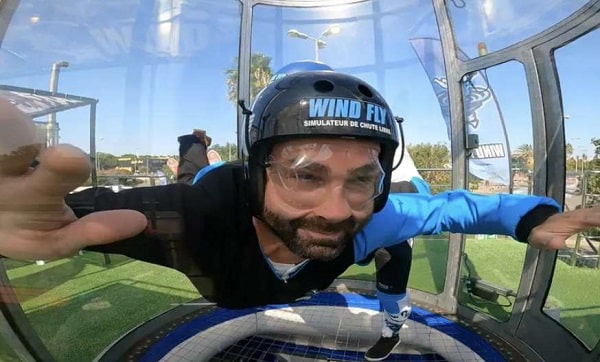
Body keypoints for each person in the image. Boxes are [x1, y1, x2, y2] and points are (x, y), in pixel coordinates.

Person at [0, 72, 597, 359]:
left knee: (399, 241)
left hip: (353, 244)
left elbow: (453, 207)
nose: (336, 210)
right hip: (210, 206)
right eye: (304, 174)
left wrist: (531, 218)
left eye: (362, 178)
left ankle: (391, 322)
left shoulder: (373, 219)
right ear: (256, 171)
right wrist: (49, 223)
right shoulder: (193, 219)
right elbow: (103, 215)